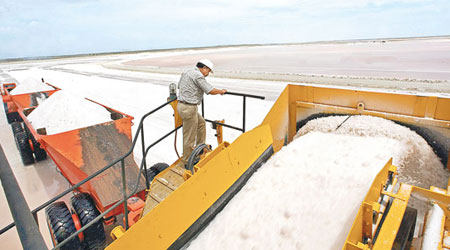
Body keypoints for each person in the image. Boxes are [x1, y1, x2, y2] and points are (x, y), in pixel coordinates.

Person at [177, 59, 227, 167]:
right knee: (189, 136)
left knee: (201, 123)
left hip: (183, 106)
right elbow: (209, 90)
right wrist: (221, 91)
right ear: (204, 68)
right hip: (189, 108)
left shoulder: (187, 72)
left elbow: (179, 86)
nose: (208, 74)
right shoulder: (198, 75)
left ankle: (199, 149)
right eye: (208, 71)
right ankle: (187, 161)